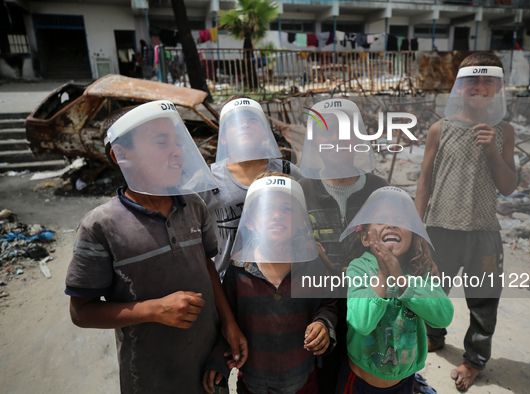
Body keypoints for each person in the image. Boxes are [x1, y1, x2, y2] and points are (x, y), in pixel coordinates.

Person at [65, 101, 247, 393]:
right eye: (162, 142)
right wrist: (153, 310)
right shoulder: (100, 226)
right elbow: (81, 312)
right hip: (150, 377)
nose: (177, 150)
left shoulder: (194, 207)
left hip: (208, 368)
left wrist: (229, 324)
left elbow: (207, 266)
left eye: (177, 141)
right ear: (121, 154)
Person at [415, 52, 518, 391]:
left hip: (484, 233)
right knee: (431, 292)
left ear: (498, 87)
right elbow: (425, 183)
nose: (480, 86)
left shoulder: (505, 131)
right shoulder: (439, 130)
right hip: (441, 230)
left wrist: (492, 149)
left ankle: (474, 360)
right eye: (473, 79)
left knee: (484, 302)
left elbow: (507, 187)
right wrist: (417, 230)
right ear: (459, 86)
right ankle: (433, 336)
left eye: (488, 79)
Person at [204, 172, 337, 394]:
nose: (277, 215)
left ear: (302, 219)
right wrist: (219, 361)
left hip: (304, 381)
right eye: (266, 208)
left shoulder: (313, 266)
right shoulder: (238, 272)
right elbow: (226, 324)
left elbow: (328, 304)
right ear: (250, 220)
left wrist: (323, 324)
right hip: (252, 384)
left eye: (287, 209)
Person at [297, 98, 389, 392]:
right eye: (326, 131)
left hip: (371, 313)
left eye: (345, 130)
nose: (336, 139)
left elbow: (402, 250)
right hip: (319, 318)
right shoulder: (300, 190)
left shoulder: (380, 190)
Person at [339, 186, 453, 394]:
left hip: (403, 381)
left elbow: (443, 317)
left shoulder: (421, 270)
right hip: (360, 381)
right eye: (382, 219)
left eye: (401, 221)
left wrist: (402, 279)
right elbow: (361, 323)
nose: (392, 224)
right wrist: (382, 276)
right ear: (365, 238)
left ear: (414, 235)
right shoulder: (359, 268)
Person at [198, 97, 301, 280]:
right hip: (229, 284)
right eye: (235, 122)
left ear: (265, 132)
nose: (244, 125)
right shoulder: (207, 180)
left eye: (253, 120)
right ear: (223, 138)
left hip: (285, 280)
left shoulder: (288, 173)